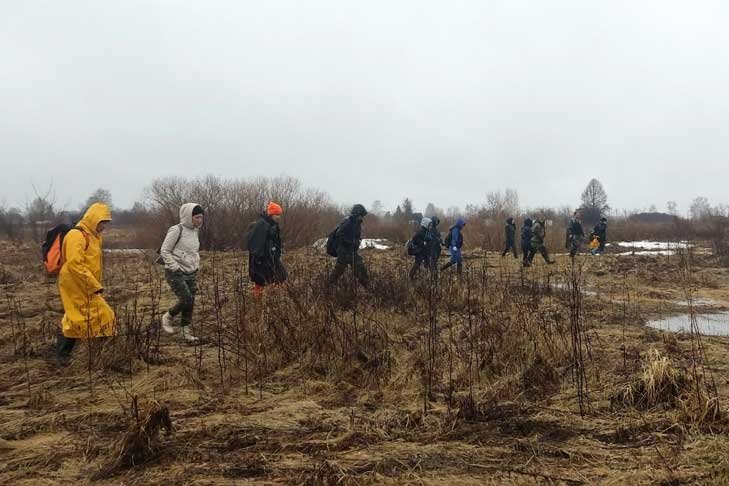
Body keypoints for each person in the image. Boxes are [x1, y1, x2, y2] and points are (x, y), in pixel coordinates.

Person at [57, 203, 116, 362]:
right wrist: (94, 285)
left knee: (76, 316)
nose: (104, 226)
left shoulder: (94, 236)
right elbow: (74, 264)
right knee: (105, 314)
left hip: (84, 282)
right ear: (93, 219)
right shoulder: (76, 235)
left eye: (105, 223)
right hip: (75, 282)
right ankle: (102, 353)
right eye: (102, 222)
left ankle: (66, 354)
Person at [160, 203, 203, 343]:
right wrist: (174, 267)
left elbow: (192, 252)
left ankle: (186, 332)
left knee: (190, 302)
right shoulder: (176, 230)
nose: (200, 220)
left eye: (201, 217)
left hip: (191, 271)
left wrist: (196, 265)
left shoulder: (195, 231)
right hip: (175, 272)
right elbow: (164, 250)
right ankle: (168, 316)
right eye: (197, 217)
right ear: (188, 217)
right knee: (186, 298)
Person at [247, 202, 287, 296]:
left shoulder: (273, 224)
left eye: (279, 214)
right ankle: (257, 302)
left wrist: (277, 252)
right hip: (261, 259)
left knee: (281, 276)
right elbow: (255, 243)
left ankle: (275, 298)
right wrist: (258, 259)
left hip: (271, 257)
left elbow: (275, 241)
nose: (279, 217)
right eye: (277, 214)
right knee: (260, 281)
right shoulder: (262, 225)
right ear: (271, 214)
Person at [328, 204, 369, 288]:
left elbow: (354, 235)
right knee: (339, 270)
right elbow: (339, 233)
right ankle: (327, 287)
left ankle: (368, 286)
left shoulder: (356, 222)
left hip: (350, 251)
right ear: (357, 214)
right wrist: (351, 242)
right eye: (361, 215)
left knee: (360, 268)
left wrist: (357, 240)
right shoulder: (349, 221)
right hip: (344, 251)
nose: (362, 218)